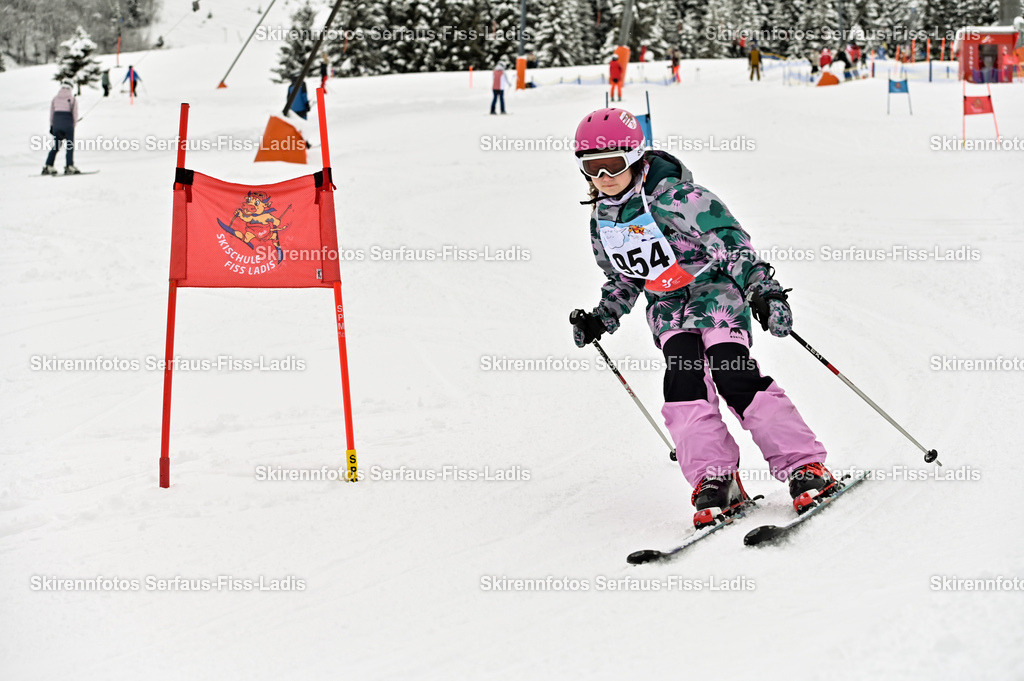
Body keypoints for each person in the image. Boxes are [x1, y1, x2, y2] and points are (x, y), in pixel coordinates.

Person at [569, 108, 835, 527]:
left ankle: (804, 465)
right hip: (668, 311)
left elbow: (733, 245)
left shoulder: (682, 199)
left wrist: (763, 292)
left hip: (717, 297)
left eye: (612, 165)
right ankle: (715, 478)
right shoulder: (602, 217)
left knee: (734, 375)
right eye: (591, 168)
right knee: (683, 383)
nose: (603, 178)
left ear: (636, 156)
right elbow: (624, 276)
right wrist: (603, 316)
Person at [42, 81, 80, 175]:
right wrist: (73, 125)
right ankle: (69, 166)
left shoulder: (55, 98)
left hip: (56, 124)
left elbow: (51, 113)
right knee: (70, 146)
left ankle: (48, 165)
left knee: (56, 145)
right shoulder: (72, 99)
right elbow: (75, 114)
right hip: (68, 124)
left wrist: (52, 126)